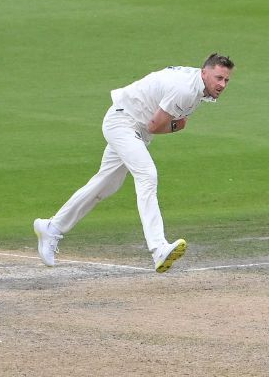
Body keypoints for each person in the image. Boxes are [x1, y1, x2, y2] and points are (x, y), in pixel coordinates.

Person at [33, 54, 235, 272]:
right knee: (147, 175)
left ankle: (51, 228)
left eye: (226, 80)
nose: (222, 84)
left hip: (134, 128)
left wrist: (176, 123)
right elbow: (155, 126)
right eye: (218, 78)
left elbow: (163, 122)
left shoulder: (198, 86)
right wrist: (177, 126)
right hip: (123, 123)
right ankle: (159, 248)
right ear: (204, 72)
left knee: (105, 184)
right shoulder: (185, 90)